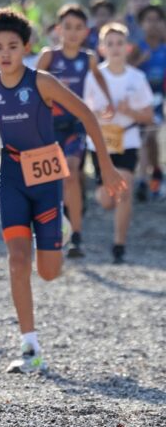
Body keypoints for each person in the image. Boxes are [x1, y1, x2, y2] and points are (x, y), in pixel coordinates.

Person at [0, 8, 125, 374]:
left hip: (46, 173)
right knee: (18, 260)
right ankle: (29, 345)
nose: (6, 53)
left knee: (49, 272)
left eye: (13, 46)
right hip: (12, 173)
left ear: (26, 48)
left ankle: (62, 231)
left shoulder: (43, 82)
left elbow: (86, 115)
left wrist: (105, 164)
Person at [36, 4, 114, 258]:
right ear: (58, 29)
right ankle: (53, 228)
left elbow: (99, 77)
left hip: (75, 126)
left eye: (78, 28)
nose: (72, 32)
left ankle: (76, 237)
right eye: (67, 27)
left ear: (86, 32)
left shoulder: (88, 58)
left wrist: (107, 100)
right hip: (48, 127)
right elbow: (32, 82)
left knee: (70, 174)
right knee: (49, 181)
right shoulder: (49, 56)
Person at [84, 23, 154, 263]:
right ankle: (100, 198)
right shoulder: (94, 77)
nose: (115, 48)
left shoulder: (137, 77)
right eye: (110, 44)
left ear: (129, 48)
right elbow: (84, 112)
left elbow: (149, 115)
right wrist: (99, 115)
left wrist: (129, 111)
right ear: (102, 49)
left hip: (128, 139)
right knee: (106, 201)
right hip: (101, 143)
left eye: (119, 43)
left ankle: (119, 244)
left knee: (125, 191)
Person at [130, 4, 166, 201]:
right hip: (137, 104)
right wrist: (139, 61)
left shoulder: (164, 49)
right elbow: (123, 70)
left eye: (157, 20)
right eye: (148, 20)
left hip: (158, 102)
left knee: (150, 138)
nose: (153, 24)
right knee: (146, 139)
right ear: (141, 24)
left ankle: (151, 176)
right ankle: (146, 179)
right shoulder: (137, 48)